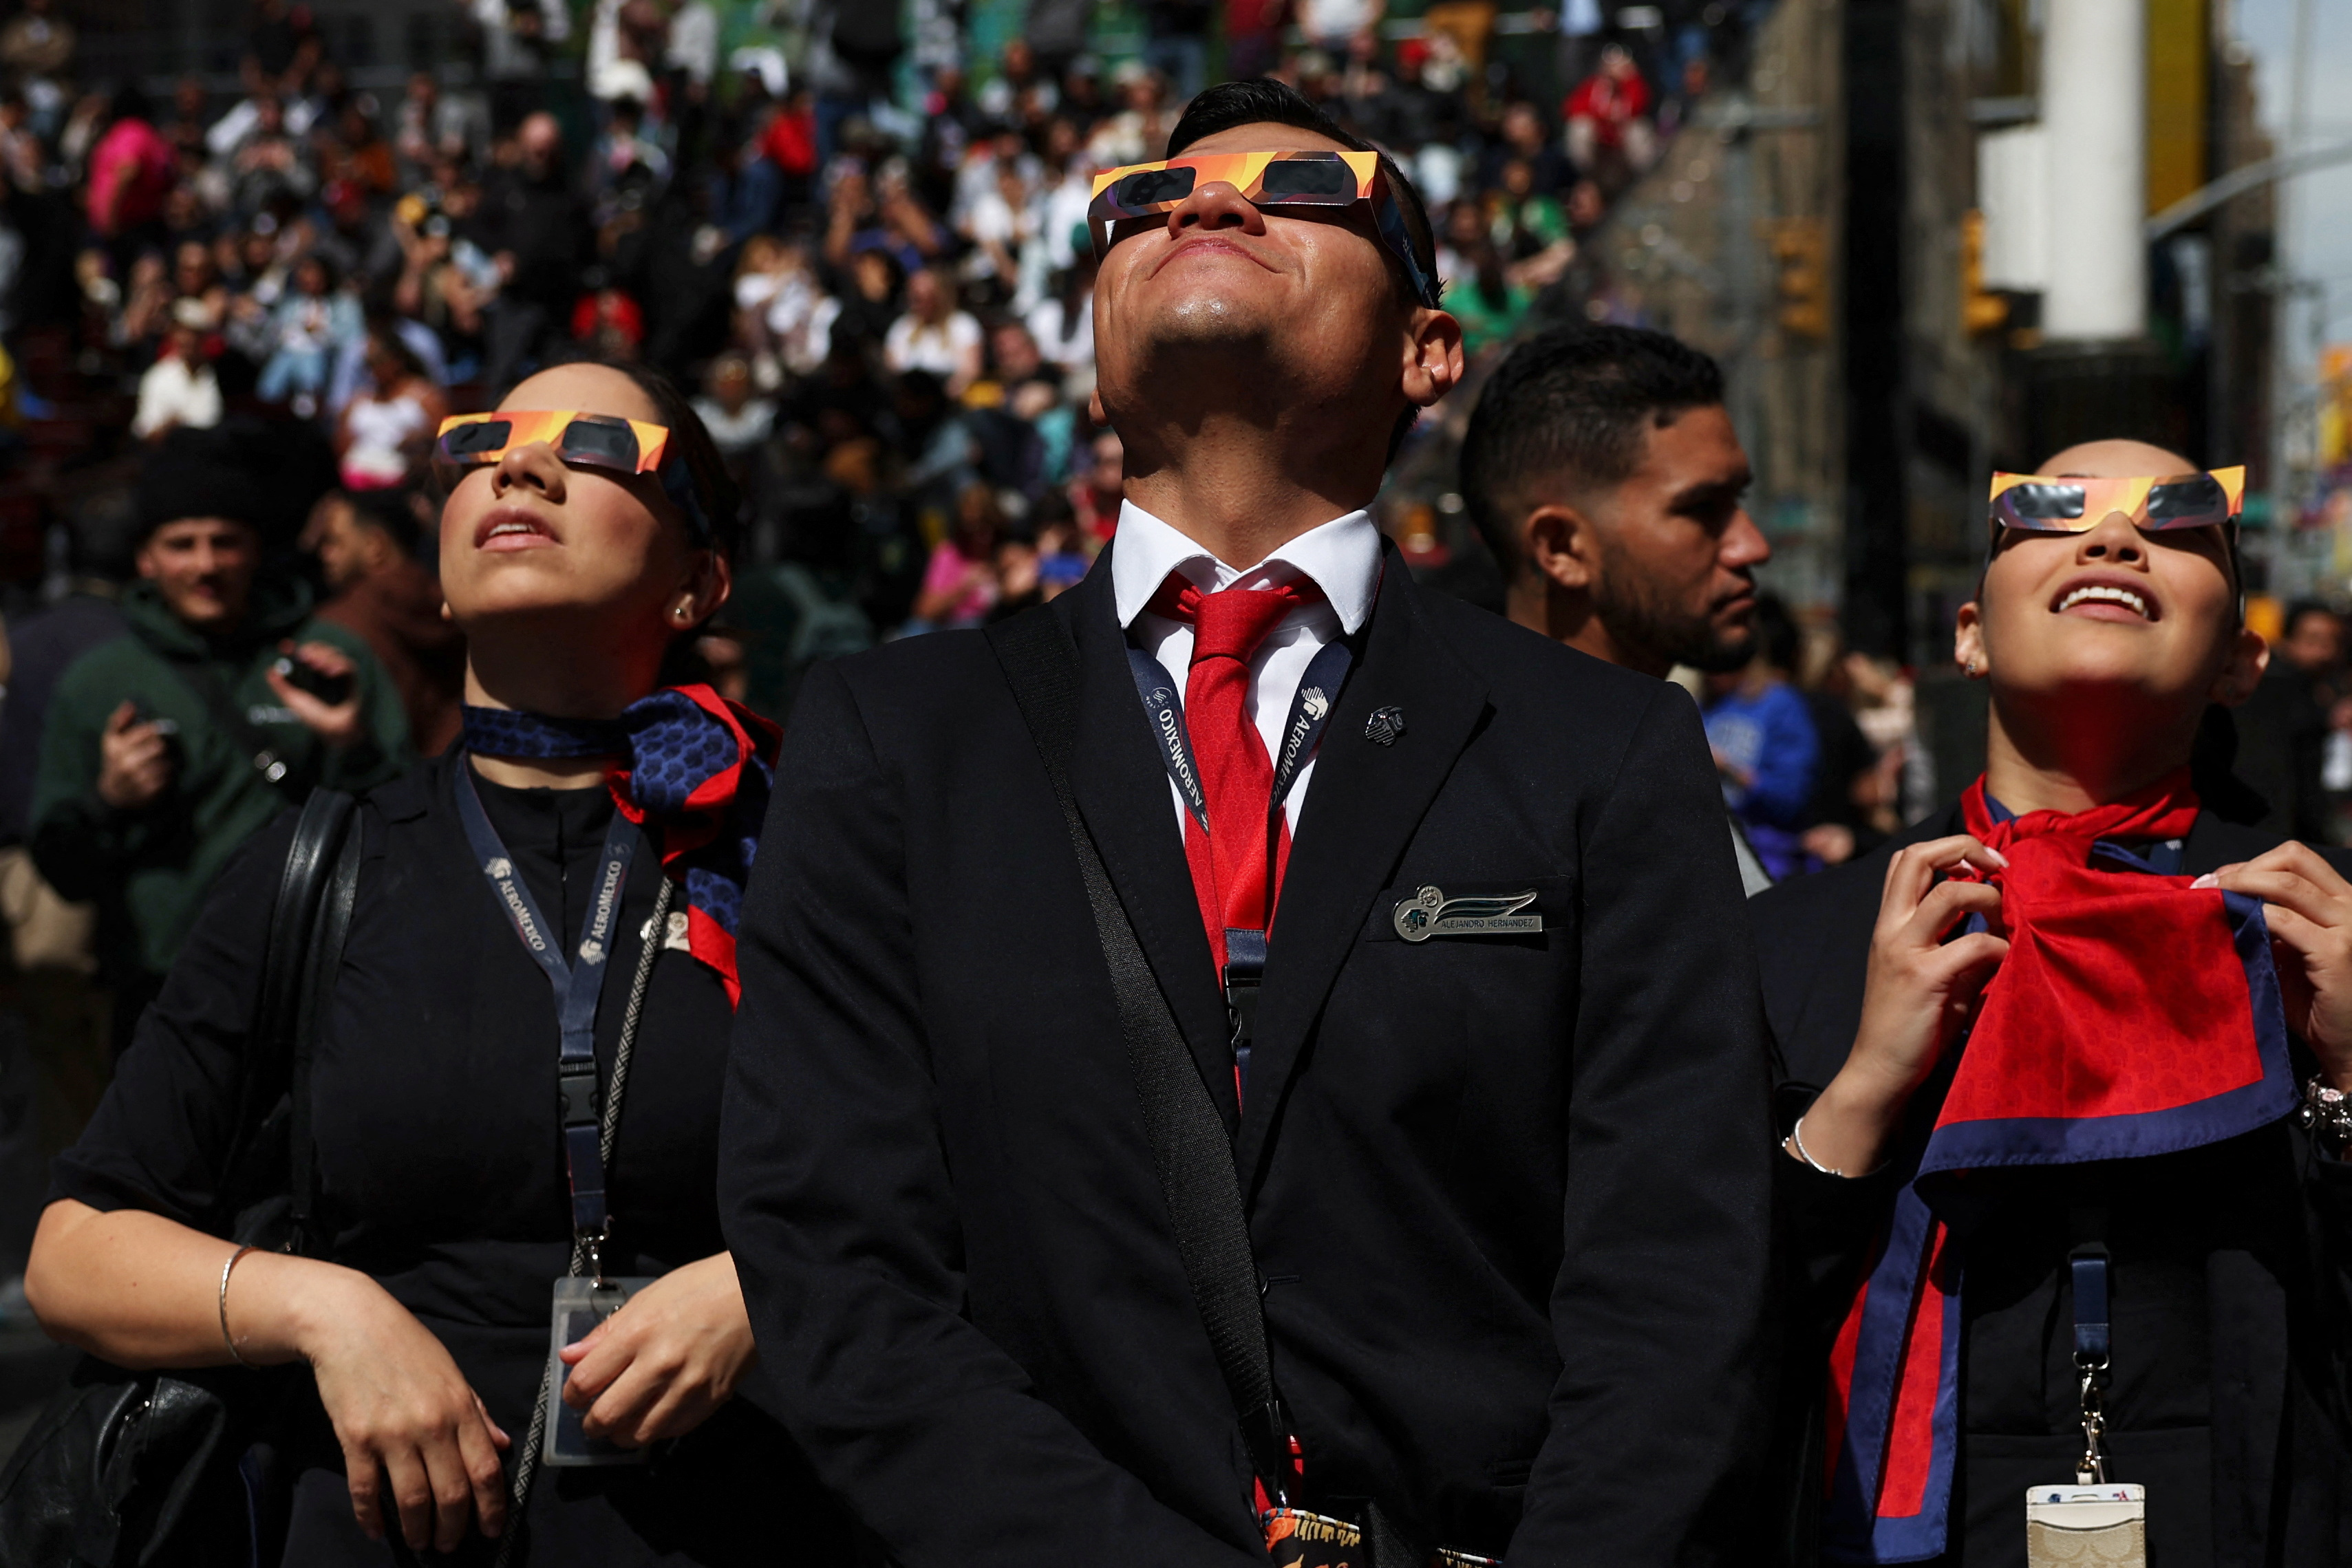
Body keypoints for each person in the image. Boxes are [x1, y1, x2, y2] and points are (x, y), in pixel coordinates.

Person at [718, 78, 1773, 1565]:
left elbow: (1673, 1268)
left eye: (1304, 187)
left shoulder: (1600, 747)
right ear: (1088, 348)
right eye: (1143, 200)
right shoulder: (894, 736)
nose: (1205, 202)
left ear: (1427, 349)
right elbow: (840, 1265)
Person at [25, 360, 855, 1566]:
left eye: (594, 445)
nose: (517, 464)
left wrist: (765, 1288)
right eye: (483, 443)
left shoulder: (810, 852)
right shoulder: (319, 861)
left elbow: (973, 1187)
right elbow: (75, 1246)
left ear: (702, 578)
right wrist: (325, 1310)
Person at [1755, 440, 2352, 1565]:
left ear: (2239, 655)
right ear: (1967, 634)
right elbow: (1688, 1332)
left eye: (2178, 519)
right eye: (2045, 510)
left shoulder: (2322, 930)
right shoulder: (1789, 941)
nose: (2112, 535)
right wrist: (1860, 1090)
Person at [28, 429, 409, 1053]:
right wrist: (110, 799)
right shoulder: (100, 680)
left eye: (225, 542)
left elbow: (406, 831)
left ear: (256, 549)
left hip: (314, 984)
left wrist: (354, 745)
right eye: (182, 545)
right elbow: (62, 868)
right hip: (160, 995)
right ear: (146, 557)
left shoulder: (331, 658)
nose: (206, 565)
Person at [1459, 323, 1775, 892]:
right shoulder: (1488, 820)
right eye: (1702, 508)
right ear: (1561, 548)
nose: (1752, 545)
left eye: (1740, 500)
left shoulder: (1646, 758)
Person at [306, 488, 467, 755]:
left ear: (375, 546)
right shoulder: (462, 602)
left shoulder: (338, 623)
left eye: (334, 542)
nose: (325, 554)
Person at [1702, 593, 1819, 881]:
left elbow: (1791, 797)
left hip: (1766, 860)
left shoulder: (1781, 704)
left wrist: (1729, 770)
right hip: (1707, 857)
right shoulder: (1701, 705)